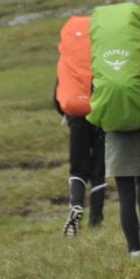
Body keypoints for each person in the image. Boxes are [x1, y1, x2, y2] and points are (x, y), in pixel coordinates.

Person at [87, 3, 140, 257]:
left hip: (114, 123)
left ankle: (134, 250)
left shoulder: (101, 52)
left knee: (124, 190)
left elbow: (94, 88)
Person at [54, 16, 107, 237]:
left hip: (76, 117)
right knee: (99, 170)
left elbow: (57, 97)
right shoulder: (100, 53)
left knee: (78, 169)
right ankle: (96, 219)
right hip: (100, 116)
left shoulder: (66, 60)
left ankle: (76, 204)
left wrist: (68, 114)